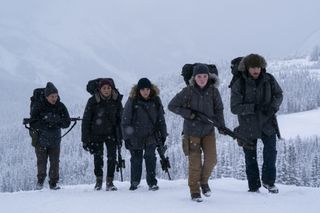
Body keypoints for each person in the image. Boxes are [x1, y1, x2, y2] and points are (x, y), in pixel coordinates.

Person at [168, 64, 225, 202]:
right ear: (194, 78)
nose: (202, 79)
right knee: (195, 163)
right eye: (199, 76)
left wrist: (221, 125)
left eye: (205, 76)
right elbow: (172, 106)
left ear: (209, 77)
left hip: (208, 131)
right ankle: (194, 190)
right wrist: (190, 114)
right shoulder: (187, 91)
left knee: (211, 160)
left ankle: (203, 182)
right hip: (191, 132)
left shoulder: (213, 92)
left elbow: (219, 109)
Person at [230, 54, 283, 193]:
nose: (256, 70)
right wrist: (253, 107)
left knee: (270, 153)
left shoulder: (269, 79)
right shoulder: (239, 83)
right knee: (250, 157)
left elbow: (279, 94)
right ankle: (253, 187)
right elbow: (234, 108)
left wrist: (273, 107)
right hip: (247, 126)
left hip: (267, 124)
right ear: (247, 68)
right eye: (253, 67)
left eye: (258, 67)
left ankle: (269, 182)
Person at [121, 78, 167, 191]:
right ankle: (135, 182)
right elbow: (125, 121)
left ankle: (152, 183)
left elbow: (161, 119)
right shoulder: (132, 101)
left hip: (151, 135)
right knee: (136, 160)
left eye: (147, 89)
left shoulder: (156, 100)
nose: (145, 91)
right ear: (138, 90)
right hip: (135, 136)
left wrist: (163, 134)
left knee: (150, 158)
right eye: (143, 89)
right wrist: (126, 138)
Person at [81, 78, 123, 191]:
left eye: (108, 88)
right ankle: (98, 181)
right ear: (99, 89)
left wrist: (121, 136)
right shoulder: (93, 101)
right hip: (96, 134)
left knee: (112, 158)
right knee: (98, 158)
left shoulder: (116, 100)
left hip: (112, 134)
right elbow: (86, 121)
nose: (106, 90)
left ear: (112, 88)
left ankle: (110, 182)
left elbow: (121, 120)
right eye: (104, 88)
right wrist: (85, 139)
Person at [30, 82, 71, 190]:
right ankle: (40, 182)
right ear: (46, 96)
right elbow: (32, 123)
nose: (54, 98)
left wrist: (56, 121)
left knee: (55, 161)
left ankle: (53, 183)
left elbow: (67, 122)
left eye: (56, 96)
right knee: (41, 161)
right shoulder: (39, 106)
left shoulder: (61, 106)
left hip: (55, 139)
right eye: (52, 96)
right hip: (40, 139)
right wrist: (46, 122)